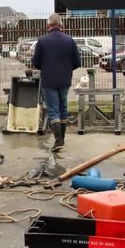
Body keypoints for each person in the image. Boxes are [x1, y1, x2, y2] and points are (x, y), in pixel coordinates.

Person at [31, 13, 80, 151]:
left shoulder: (42, 41)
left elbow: (36, 63)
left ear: (48, 25)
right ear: (61, 25)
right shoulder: (70, 40)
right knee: (63, 108)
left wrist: (46, 67)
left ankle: (59, 140)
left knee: (53, 110)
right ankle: (61, 138)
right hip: (65, 80)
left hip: (49, 80)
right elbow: (77, 62)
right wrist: (66, 69)